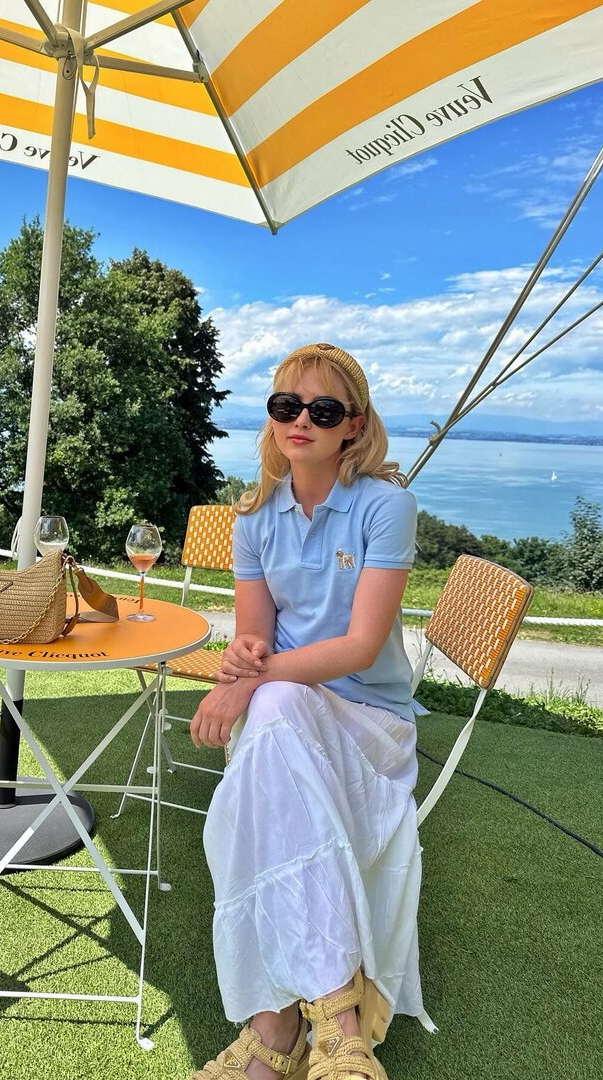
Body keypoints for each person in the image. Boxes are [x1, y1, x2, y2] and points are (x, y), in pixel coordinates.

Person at [189, 343, 433, 1080]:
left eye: (323, 410)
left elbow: (361, 647)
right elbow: (255, 634)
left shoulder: (386, 507)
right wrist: (245, 663)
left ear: (353, 425)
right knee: (275, 712)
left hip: (369, 721)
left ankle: (273, 1034)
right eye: (286, 405)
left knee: (269, 719)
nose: (302, 420)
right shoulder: (255, 516)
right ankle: (334, 1020)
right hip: (287, 707)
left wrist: (242, 684)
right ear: (272, 417)